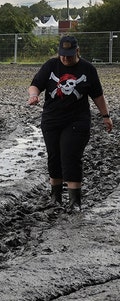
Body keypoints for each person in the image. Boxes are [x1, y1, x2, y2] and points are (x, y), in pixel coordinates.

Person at [28, 35, 113, 210]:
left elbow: (97, 94)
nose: (65, 58)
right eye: (62, 54)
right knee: (54, 156)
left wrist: (105, 116)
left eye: (69, 54)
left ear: (77, 51)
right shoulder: (51, 65)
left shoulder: (87, 69)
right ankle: (56, 197)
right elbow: (35, 84)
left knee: (71, 156)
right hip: (51, 120)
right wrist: (33, 95)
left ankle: (75, 202)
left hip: (77, 120)